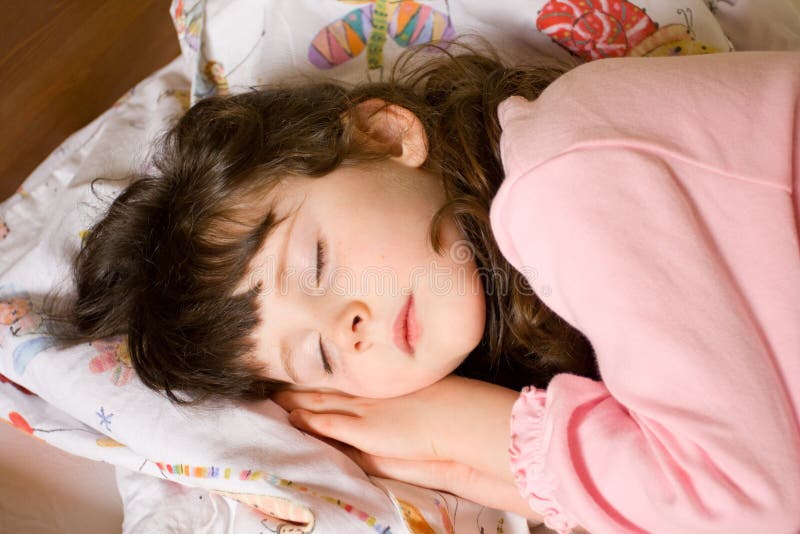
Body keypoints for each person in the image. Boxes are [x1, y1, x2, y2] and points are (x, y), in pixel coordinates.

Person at [43, 39, 800, 533]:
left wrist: (475, 434)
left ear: (383, 133)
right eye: (322, 359)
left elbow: (752, 506)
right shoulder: (529, 289)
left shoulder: (563, 178)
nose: (351, 324)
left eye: (313, 265)